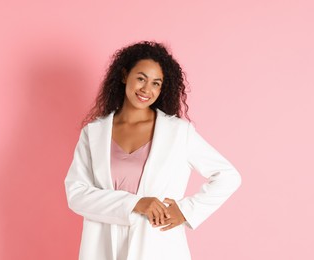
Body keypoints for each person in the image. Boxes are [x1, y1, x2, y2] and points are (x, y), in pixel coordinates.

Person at [64, 41, 242, 260]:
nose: (147, 89)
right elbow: (77, 194)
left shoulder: (177, 133)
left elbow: (227, 176)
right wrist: (135, 203)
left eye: (156, 83)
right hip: (103, 248)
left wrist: (186, 211)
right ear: (124, 76)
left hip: (158, 248)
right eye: (141, 78)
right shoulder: (94, 134)